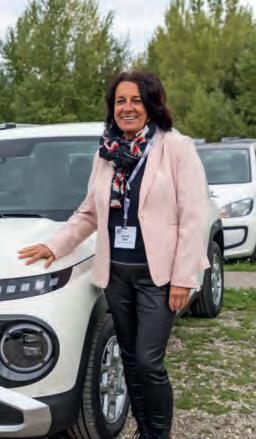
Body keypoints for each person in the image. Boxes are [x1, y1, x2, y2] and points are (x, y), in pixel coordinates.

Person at [18, 70, 209, 439]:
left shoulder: (176, 148)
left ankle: (158, 434)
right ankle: (143, 430)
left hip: (158, 277)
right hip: (117, 275)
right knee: (131, 361)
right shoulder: (106, 153)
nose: (127, 108)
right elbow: (89, 212)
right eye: (120, 101)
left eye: (136, 100)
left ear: (151, 104)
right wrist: (55, 245)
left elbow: (193, 216)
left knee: (149, 362)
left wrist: (184, 278)